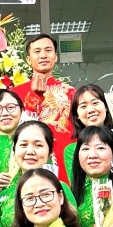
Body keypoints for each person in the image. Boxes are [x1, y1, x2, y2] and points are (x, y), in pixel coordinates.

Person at [0, 120, 75, 227]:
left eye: (38, 145)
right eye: (23, 145)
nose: (30, 151)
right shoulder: (3, 195)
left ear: (50, 152)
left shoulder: (60, 188)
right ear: (14, 151)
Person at [12, 34, 75, 181]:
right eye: (37, 51)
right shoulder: (14, 93)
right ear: (28, 59)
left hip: (64, 162)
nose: (43, 55)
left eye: (48, 50)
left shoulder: (71, 93)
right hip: (27, 160)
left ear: (55, 57)